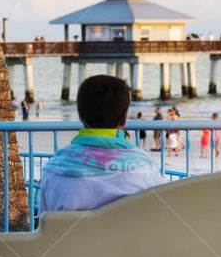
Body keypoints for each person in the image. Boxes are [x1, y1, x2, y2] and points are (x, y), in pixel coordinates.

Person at [39, 75, 164, 212]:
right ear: (124, 118)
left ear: (80, 116)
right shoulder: (145, 169)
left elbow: (46, 226)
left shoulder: (53, 172)